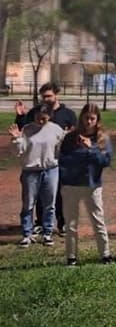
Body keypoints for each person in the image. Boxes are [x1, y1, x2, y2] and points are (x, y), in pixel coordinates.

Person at [15, 82, 77, 236]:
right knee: (41, 194)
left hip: (61, 159)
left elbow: (74, 132)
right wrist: (21, 115)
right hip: (40, 159)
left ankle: (62, 223)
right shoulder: (37, 112)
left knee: (61, 193)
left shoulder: (67, 114)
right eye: (43, 97)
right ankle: (41, 223)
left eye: (49, 96)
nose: (46, 99)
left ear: (57, 95)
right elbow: (23, 130)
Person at [58, 104, 113, 266]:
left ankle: (106, 255)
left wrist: (91, 150)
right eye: (86, 117)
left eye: (92, 118)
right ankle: (71, 257)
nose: (89, 121)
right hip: (71, 185)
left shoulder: (102, 138)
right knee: (71, 223)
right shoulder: (71, 137)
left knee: (98, 220)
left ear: (97, 120)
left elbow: (105, 161)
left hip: (92, 185)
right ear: (81, 117)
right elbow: (63, 160)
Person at [8, 104, 66, 248]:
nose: (41, 121)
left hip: (51, 169)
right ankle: (27, 234)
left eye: (44, 119)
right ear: (34, 116)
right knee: (28, 204)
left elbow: (61, 148)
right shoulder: (27, 129)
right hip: (31, 171)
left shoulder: (55, 129)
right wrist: (16, 139)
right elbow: (18, 152)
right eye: (39, 118)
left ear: (49, 117)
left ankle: (47, 233)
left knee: (49, 204)